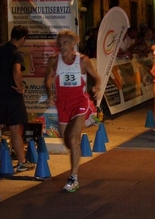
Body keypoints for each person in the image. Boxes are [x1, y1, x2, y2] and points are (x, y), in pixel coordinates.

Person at [44, 29, 101, 193]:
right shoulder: (54, 60)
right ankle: (86, 123)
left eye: (65, 43)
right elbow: (48, 79)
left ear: (73, 43)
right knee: (67, 142)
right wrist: (50, 93)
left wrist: (96, 86)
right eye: (59, 43)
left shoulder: (82, 60)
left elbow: (96, 77)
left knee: (73, 139)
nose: (61, 46)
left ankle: (73, 178)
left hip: (79, 102)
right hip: (62, 104)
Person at [0, 25, 35, 172]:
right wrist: (20, 87)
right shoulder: (17, 54)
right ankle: (22, 162)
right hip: (12, 96)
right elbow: (16, 71)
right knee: (15, 129)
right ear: (23, 38)